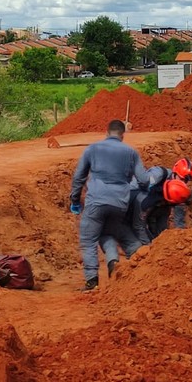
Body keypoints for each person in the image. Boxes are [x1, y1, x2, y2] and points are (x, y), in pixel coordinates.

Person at [69, 119, 150, 291]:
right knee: (107, 234)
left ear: (106, 133)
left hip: (96, 201)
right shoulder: (131, 152)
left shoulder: (92, 149)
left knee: (88, 239)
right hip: (121, 203)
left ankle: (92, 281)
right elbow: (144, 180)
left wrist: (75, 200)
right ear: (122, 135)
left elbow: (79, 177)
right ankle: (114, 261)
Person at [139, 157, 192, 239]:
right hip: (146, 205)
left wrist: (181, 235)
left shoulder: (181, 188)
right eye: (182, 179)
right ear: (174, 173)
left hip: (163, 210)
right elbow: (141, 185)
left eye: (185, 181)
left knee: (162, 236)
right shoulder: (159, 175)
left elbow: (180, 215)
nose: (182, 183)